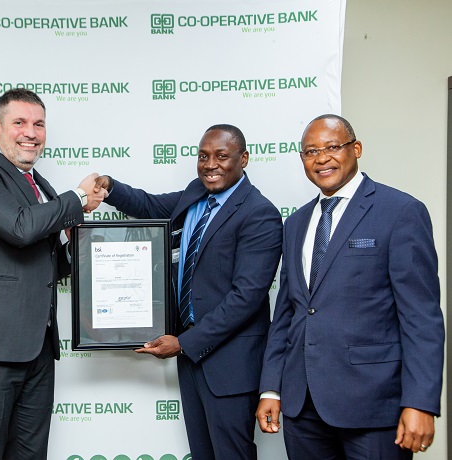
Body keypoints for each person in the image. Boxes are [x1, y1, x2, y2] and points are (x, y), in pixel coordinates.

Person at [256, 114, 444, 459]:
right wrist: (271, 387)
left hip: (373, 406)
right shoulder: (295, 223)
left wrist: (420, 402)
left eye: (332, 147)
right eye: (311, 151)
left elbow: (422, 317)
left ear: (356, 149)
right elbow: (287, 314)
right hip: (302, 406)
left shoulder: (400, 211)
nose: (321, 158)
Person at [92, 124, 283, 459]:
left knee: (231, 454)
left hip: (229, 365)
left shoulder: (259, 214)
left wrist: (183, 343)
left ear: (243, 159)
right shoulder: (196, 194)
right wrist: (110, 187)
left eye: (221, 156)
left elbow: (245, 298)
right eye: (203, 156)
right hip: (192, 359)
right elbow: (150, 206)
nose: (210, 165)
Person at [0, 88, 105, 459]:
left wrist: (70, 246)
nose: (31, 133)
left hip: (37, 349)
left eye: (39, 124)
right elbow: (20, 228)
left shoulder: (40, 186)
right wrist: (79, 198)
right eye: (19, 122)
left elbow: (44, 262)